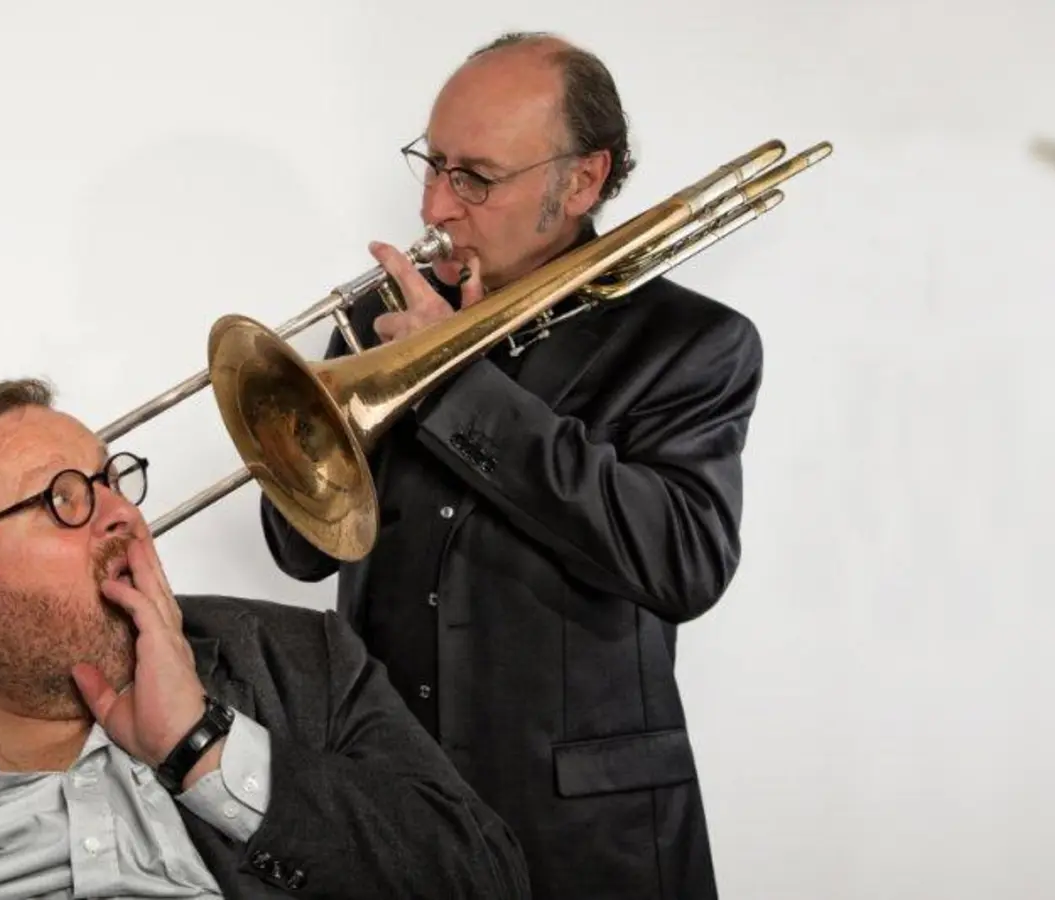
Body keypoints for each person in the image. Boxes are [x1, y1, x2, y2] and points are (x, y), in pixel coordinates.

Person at [258, 31, 764, 900]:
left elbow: (684, 562)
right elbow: (301, 548)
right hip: (388, 812)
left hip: (589, 839)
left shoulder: (694, 344)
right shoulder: (383, 318)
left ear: (583, 180)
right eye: (432, 164)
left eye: (475, 178)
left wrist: (452, 389)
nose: (435, 208)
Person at [0, 378, 531, 900]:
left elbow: (485, 881)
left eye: (109, 479)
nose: (122, 513)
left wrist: (202, 748)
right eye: (64, 498)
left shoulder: (302, 665)